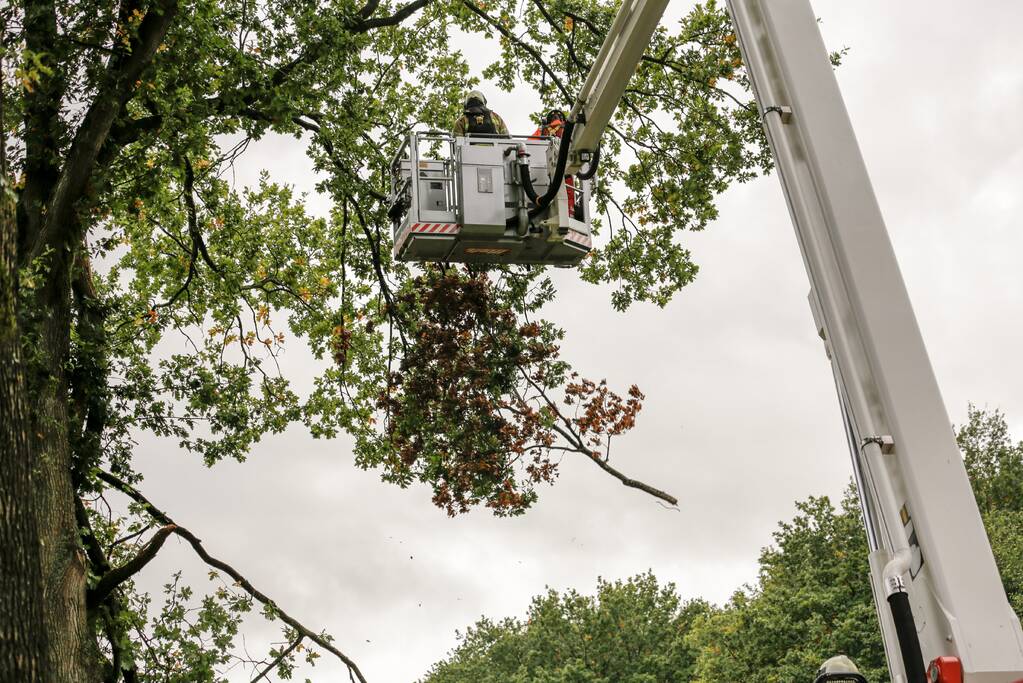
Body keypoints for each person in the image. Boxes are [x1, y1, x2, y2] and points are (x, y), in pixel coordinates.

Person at [531, 109, 578, 217]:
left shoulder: (542, 130)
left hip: (545, 168)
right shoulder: (569, 129)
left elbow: (530, 144)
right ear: (562, 119)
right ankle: (569, 214)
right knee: (568, 192)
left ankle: (548, 209)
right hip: (565, 167)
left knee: (548, 190)